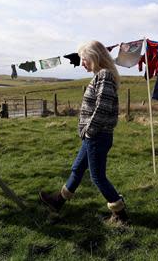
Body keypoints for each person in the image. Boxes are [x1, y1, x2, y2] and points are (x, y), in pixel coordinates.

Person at [39, 40, 128, 224]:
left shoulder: (104, 75)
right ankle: (58, 201)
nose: (82, 64)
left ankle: (120, 213)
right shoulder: (101, 75)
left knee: (97, 177)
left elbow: (102, 108)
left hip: (97, 136)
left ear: (94, 57)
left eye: (84, 59)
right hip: (94, 136)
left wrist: (89, 131)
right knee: (78, 169)